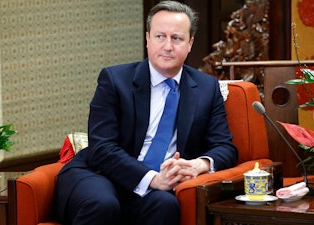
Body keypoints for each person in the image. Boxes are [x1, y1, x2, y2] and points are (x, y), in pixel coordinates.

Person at [55, 1, 238, 225]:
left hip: (158, 189)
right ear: (148, 38)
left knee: (166, 205)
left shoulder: (207, 88)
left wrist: (199, 165)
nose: (168, 46)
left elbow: (225, 147)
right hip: (100, 174)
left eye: (177, 38)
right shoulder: (114, 80)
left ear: (190, 43)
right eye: (160, 36)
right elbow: (102, 148)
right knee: (103, 204)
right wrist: (152, 179)